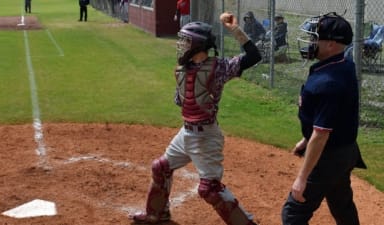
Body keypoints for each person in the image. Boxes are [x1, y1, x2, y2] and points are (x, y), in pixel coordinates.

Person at [130, 12, 261, 225]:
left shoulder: (219, 67)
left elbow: (254, 56)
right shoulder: (181, 71)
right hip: (186, 133)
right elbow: (182, 101)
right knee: (160, 167)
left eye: (185, 41)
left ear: (197, 45)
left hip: (206, 137)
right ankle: (157, 214)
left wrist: (235, 30)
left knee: (209, 190)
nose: (180, 45)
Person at [282, 12, 367, 225]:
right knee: (342, 205)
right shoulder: (344, 64)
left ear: (331, 45)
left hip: (328, 157)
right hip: (346, 151)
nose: (311, 42)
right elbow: (334, 116)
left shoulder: (328, 82)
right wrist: (306, 137)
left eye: (315, 38)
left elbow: (321, 135)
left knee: (293, 213)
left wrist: (302, 179)